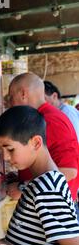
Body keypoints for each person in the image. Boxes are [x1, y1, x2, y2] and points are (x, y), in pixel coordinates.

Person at [0, 106, 79, 245]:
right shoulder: (38, 184)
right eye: (1, 149)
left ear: (36, 143)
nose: (5, 157)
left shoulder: (47, 189)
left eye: (10, 149)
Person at [7, 73, 79, 205]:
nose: (9, 103)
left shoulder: (50, 120)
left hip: (55, 207)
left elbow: (69, 171)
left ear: (23, 93)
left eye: (11, 97)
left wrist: (23, 187)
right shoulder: (41, 117)